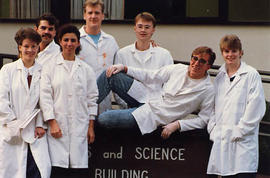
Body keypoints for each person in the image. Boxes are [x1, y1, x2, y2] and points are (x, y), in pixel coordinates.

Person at [97, 46, 216, 135]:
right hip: (147, 97)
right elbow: (151, 76)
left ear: (208, 66)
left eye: (202, 61)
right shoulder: (179, 68)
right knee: (110, 74)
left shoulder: (208, 90)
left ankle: (91, 124)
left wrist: (178, 125)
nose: (196, 63)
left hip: (154, 115)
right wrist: (125, 68)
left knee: (104, 119)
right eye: (194, 58)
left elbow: (203, 120)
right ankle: (84, 111)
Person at [40, 24, 98, 178]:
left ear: (78, 43)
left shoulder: (86, 69)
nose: (69, 44)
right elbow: (45, 97)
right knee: (58, 169)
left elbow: (92, 99)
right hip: (57, 129)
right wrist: (52, 122)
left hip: (80, 128)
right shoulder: (49, 67)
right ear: (59, 41)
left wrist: (90, 126)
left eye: (73, 40)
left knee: (78, 170)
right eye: (66, 40)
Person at [206, 35, 265, 178]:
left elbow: (256, 106)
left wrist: (240, 130)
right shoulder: (220, 76)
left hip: (243, 142)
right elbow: (213, 106)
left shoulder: (251, 74)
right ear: (222, 53)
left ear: (241, 52)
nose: (230, 55)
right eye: (226, 51)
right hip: (221, 139)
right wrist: (212, 128)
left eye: (234, 51)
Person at [0, 28, 51, 178]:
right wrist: (14, 123)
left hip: (35, 132)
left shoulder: (44, 71)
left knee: (37, 171)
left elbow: (45, 100)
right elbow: (2, 99)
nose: (30, 50)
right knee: (12, 171)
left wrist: (41, 124)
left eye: (34, 46)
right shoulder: (7, 70)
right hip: (12, 130)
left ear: (38, 47)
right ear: (20, 47)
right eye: (26, 46)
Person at [114, 12, 173, 107]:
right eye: (140, 26)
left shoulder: (164, 55)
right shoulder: (122, 54)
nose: (143, 30)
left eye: (147, 27)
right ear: (135, 28)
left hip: (155, 108)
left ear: (153, 30)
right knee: (105, 119)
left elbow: (169, 85)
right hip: (129, 107)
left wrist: (160, 106)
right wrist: (125, 105)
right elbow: (117, 85)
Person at [78, 0, 119, 113]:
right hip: (81, 104)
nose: (93, 16)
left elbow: (117, 73)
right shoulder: (75, 40)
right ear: (84, 15)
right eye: (90, 13)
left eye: (97, 13)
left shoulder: (111, 41)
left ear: (103, 16)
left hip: (104, 105)